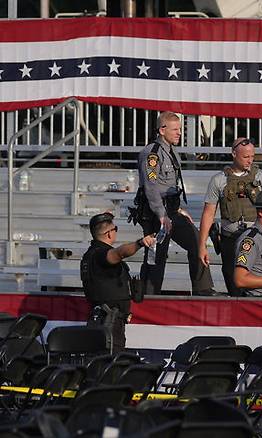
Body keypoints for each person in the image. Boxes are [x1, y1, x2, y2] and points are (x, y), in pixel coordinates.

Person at [134, 111, 217, 296]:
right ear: (162, 130)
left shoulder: (171, 151)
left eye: (180, 129)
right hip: (157, 213)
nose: (179, 133)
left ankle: (203, 290)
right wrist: (162, 215)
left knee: (197, 241)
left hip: (171, 209)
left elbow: (169, 185)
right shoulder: (152, 153)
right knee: (157, 255)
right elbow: (151, 186)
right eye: (175, 129)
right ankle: (148, 296)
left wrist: (177, 209)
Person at [198, 137, 262, 296]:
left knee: (256, 286)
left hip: (257, 240)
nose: (250, 160)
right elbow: (208, 213)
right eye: (245, 157)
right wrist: (202, 244)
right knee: (233, 284)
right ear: (233, 154)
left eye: (252, 156)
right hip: (230, 238)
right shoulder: (219, 180)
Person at [81, 212, 155, 352]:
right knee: (110, 362)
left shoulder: (91, 254)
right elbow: (119, 253)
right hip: (108, 323)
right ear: (109, 233)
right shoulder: (100, 254)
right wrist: (140, 243)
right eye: (115, 229)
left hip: (105, 321)